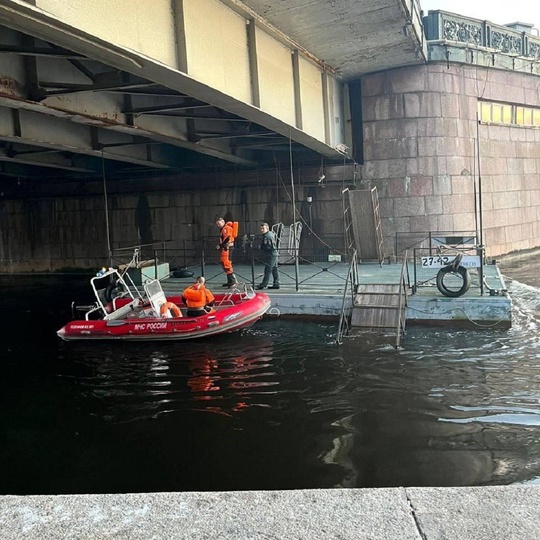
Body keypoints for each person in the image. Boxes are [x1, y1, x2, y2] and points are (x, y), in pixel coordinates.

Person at [256, 222, 280, 290]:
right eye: (261, 228)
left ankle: (264, 284)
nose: (261, 230)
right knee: (274, 269)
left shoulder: (267, 236)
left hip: (271, 254)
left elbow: (267, 246)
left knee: (268, 269)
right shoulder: (271, 234)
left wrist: (261, 247)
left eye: (263, 228)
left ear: (267, 228)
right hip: (274, 253)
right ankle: (276, 283)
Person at [215, 217, 238, 287]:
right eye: (217, 224)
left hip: (227, 247)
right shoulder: (224, 228)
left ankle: (233, 281)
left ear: (223, 222)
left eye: (219, 224)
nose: (218, 225)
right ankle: (230, 281)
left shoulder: (226, 228)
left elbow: (227, 238)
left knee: (227, 263)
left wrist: (220, 245)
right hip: (225, 247)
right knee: (224, 262)